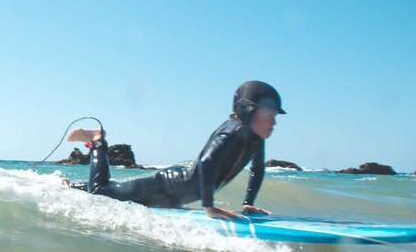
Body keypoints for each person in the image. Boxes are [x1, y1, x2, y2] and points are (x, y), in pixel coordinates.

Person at [66, 81, 285, 219]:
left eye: (275, 117)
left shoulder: (255, 139)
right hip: (166, 185)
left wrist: (248, 203)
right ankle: (98, 141)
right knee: (100, 192)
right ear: (247, 110)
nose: (273, 123)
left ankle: (70, 187)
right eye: (269, 116)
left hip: (174, 195)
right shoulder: (232, 132)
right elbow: (208, 163)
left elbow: (257, 169)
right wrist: (210, 208)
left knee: (118, 194)